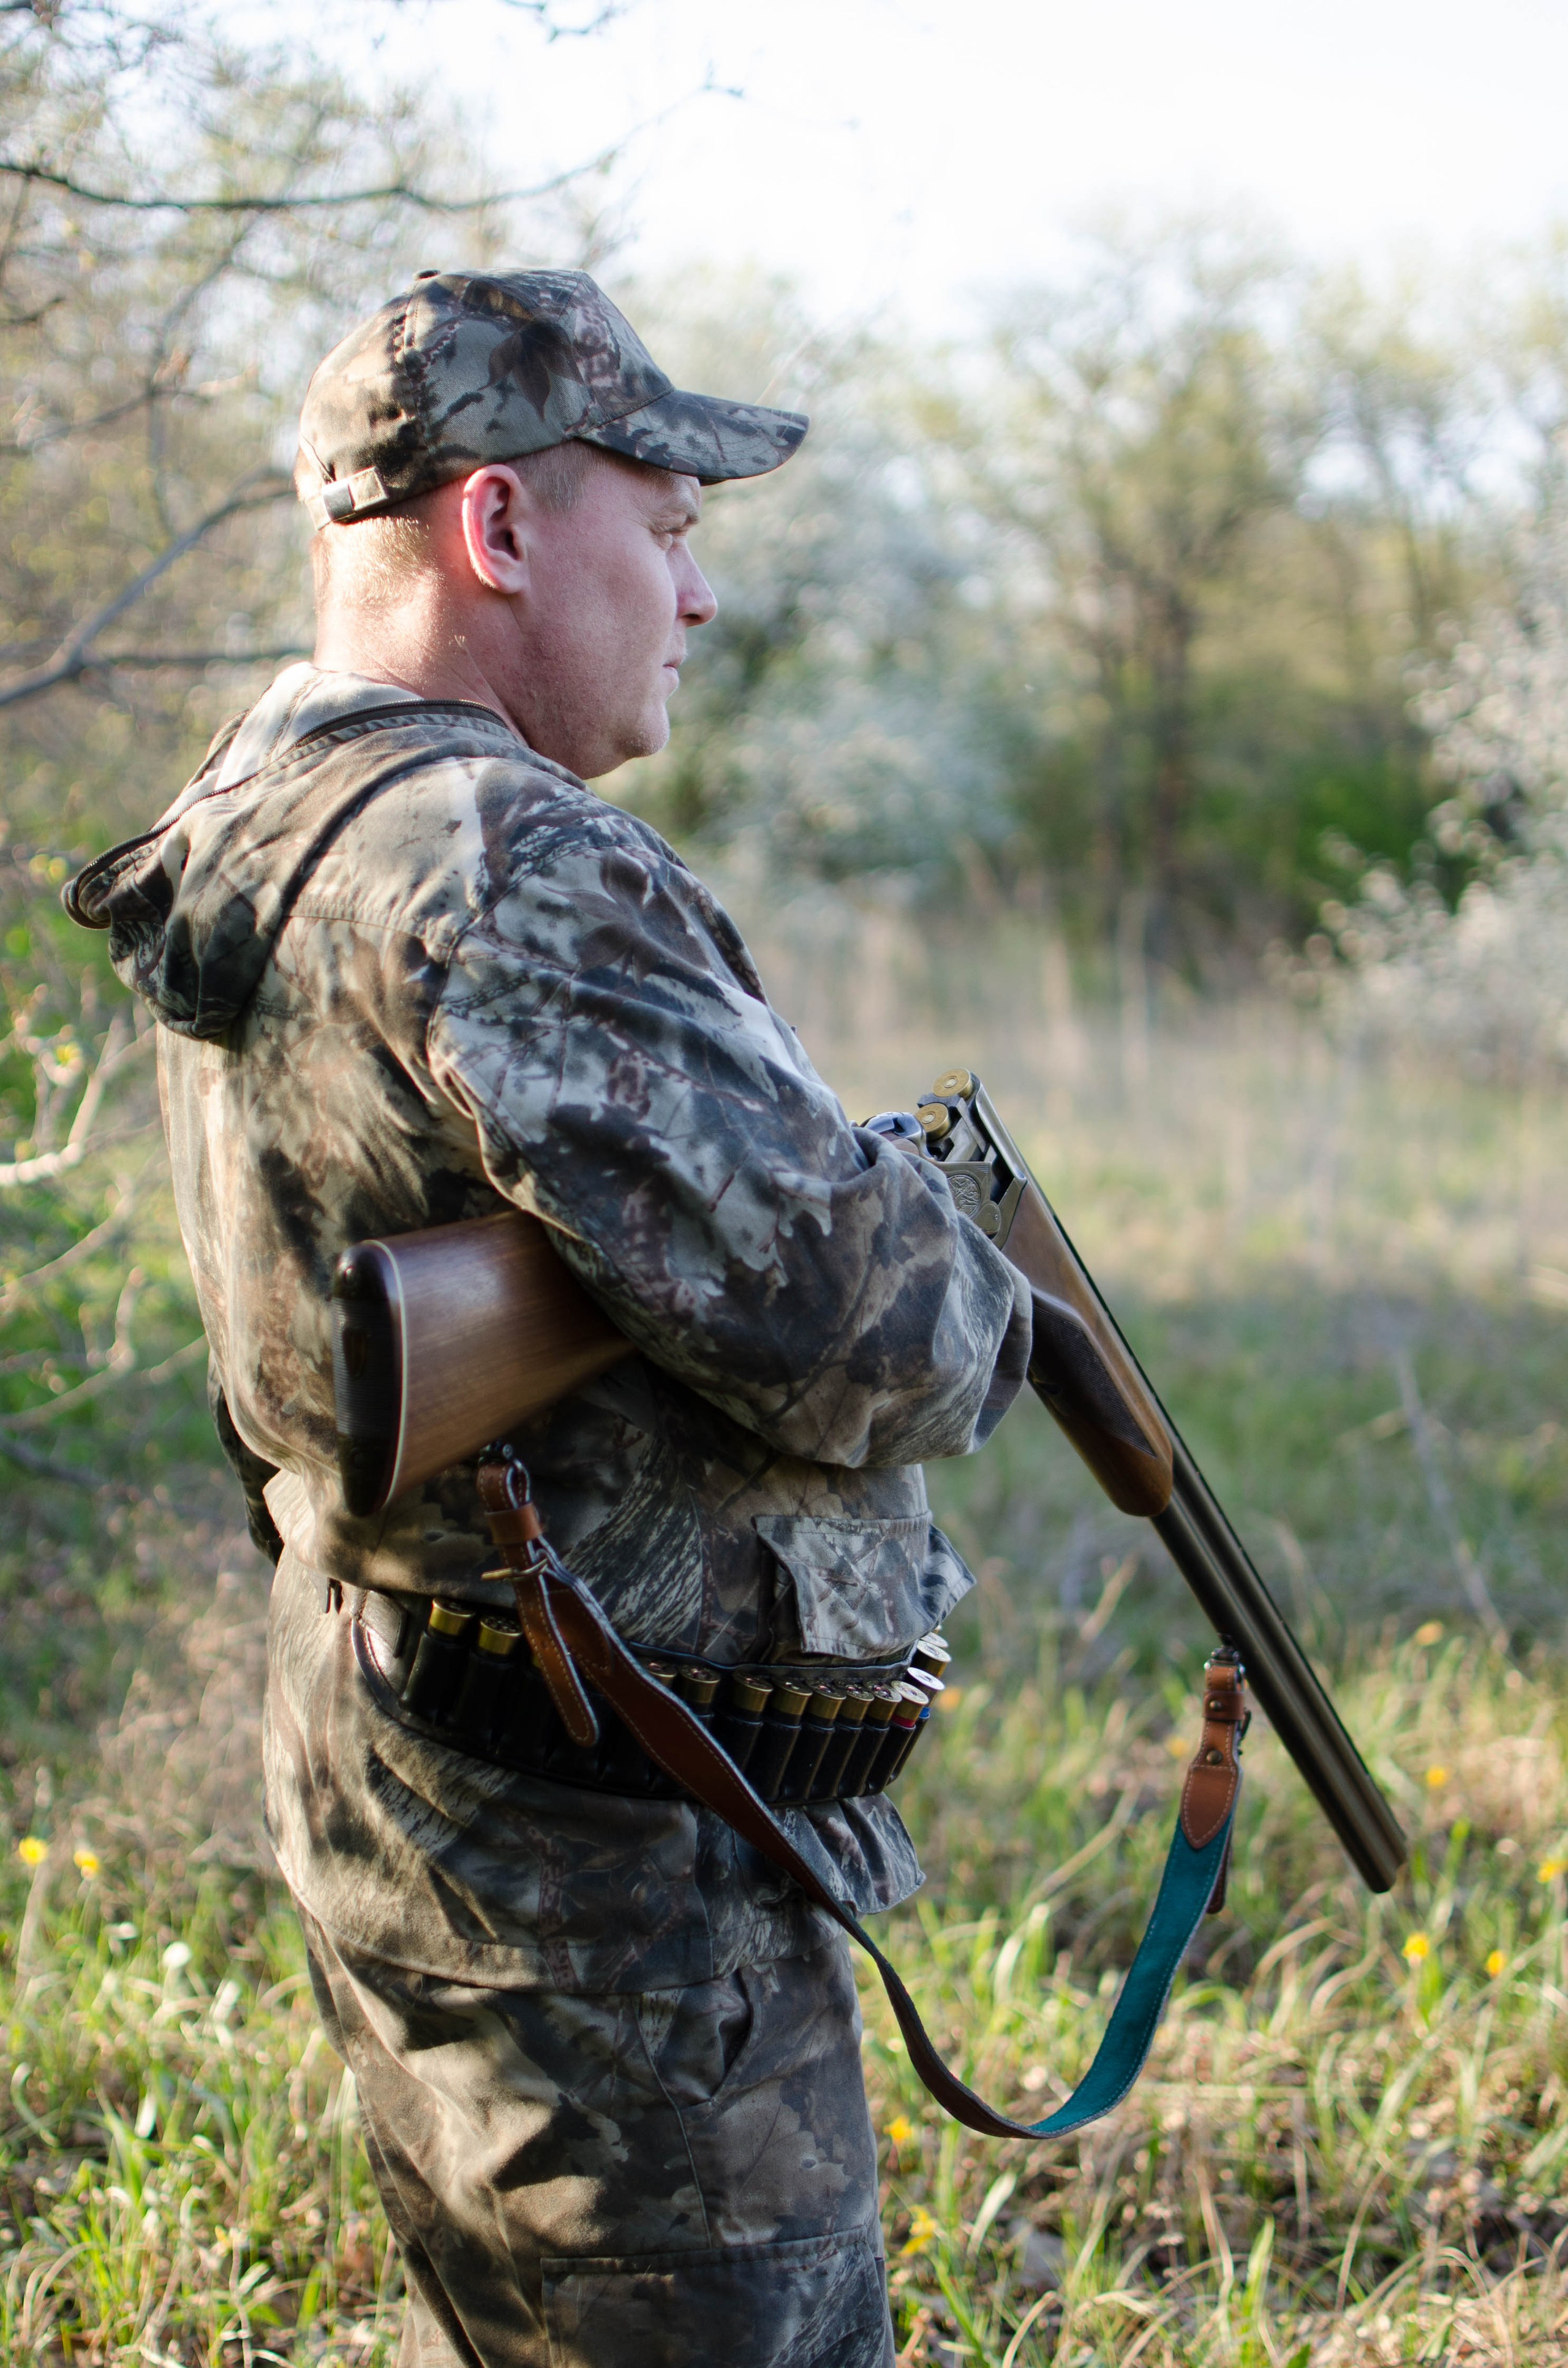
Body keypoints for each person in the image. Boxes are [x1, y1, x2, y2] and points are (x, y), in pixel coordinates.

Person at [69, 270, 1033, 2368]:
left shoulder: (268, 804)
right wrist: (965, 1264)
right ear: (498, 530)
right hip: (608, 1874)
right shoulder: (510, 855)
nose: (695, 599)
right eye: (668, 531)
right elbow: (876, 1338)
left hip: (416, 1773)